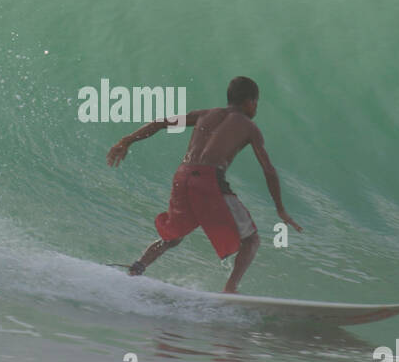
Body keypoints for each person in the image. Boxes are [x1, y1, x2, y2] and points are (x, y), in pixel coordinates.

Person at [106, 76, 302, 293]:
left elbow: (161, 123)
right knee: (252, 240)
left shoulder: (205, 114)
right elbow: (268, 170)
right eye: (256, 102)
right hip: (209, 179)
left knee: (173, 236)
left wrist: (126, 140)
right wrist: (280, 209)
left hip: (182, 176)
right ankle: (230, 289)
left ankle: (137, 268)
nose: (256, 107)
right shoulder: (249, 127)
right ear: (249, 102)